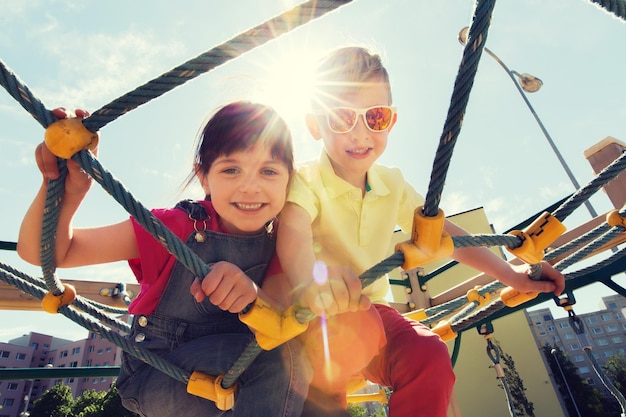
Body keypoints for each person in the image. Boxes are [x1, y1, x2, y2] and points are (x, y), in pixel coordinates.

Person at [276, 46, 566, 417]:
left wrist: (512, 275)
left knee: (428, 352)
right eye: (341, 117)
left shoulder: (392, 183)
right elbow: (293, 236)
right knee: (322, 395)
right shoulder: (305, 180)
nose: (359, 133)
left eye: (374, 117)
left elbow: (447, 236)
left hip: (372, 311)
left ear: (391, 122)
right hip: (315, 317)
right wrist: (314, 290)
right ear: (315, 124)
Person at [17, 102, 312, 417]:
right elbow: (45, 252)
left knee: (301, 372)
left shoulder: (282, 240)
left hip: (233, 385)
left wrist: (254, 296)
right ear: (204, 177)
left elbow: (279, 321)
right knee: (280, 362)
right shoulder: (174, 227)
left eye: (268, 171)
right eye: (231, 169)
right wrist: (67, 190)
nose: (251, 186)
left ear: (289, 179)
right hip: (161, 377)